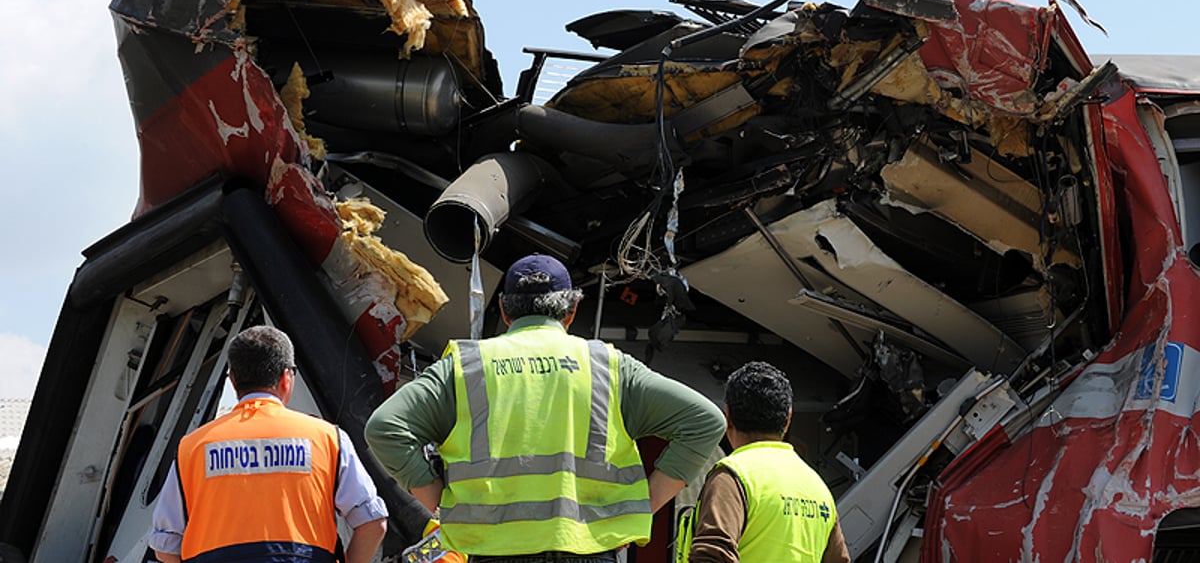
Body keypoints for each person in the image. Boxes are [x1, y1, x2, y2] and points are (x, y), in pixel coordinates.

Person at [365, 253, 726, 562]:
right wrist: (644, 506)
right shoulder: (609, 367)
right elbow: (705, 421)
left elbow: (384, 427)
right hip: (590, 550)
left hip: (495, 552)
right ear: (571, 311)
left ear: (505, 310)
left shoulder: (467, 367)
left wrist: (435, 498)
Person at [149, 325, 388, 563]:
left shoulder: (192, 447)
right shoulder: (327, 438)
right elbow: (373, 523)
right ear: (286, 378)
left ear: (233, 382)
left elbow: (166, 545)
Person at [682, 361, 850, 563]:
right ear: (788, 418)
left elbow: (712, 556)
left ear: (727, 416)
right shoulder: (818, 489)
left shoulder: (734, 477)